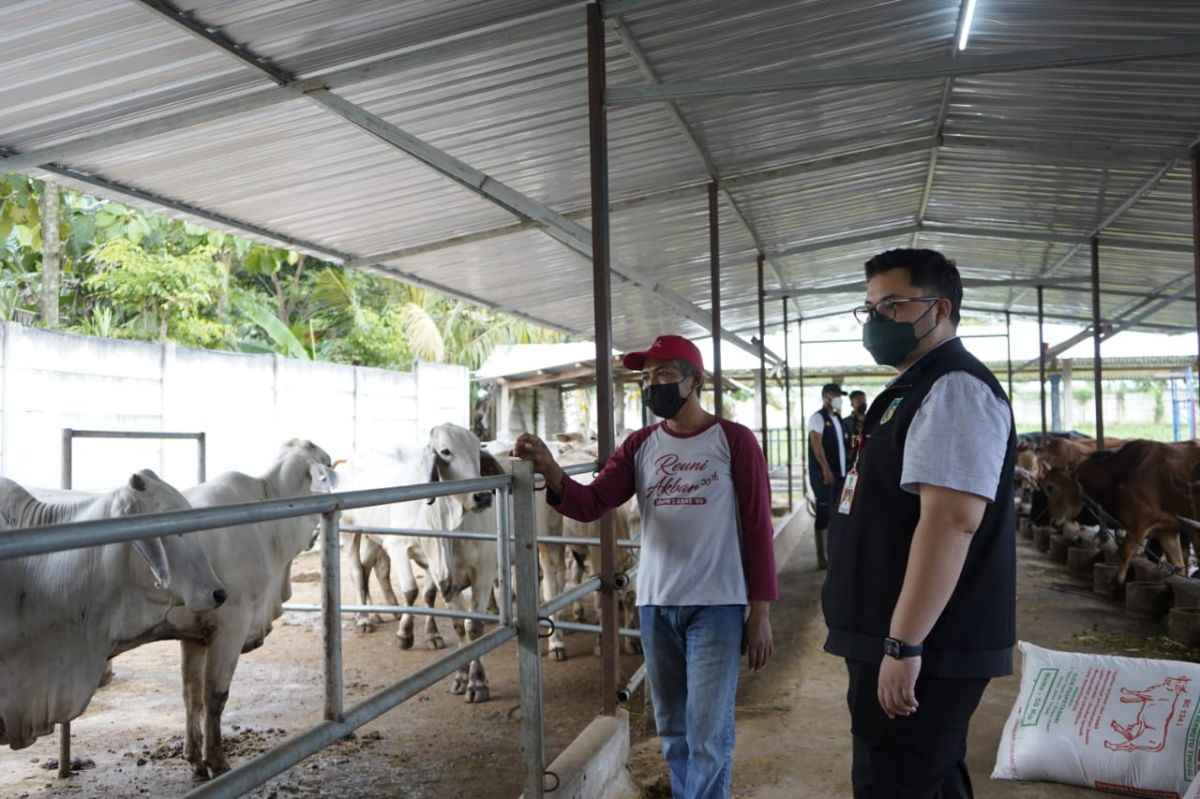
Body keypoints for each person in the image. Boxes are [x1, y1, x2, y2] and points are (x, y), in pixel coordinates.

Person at [513, 334, 776, 799]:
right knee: (673, 728)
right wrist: (552, 469)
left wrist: (761, 612)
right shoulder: (640, 445)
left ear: (694, 381)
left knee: (708, 732)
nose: (653, 385)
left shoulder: (733, 441)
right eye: (647, 377)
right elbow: (593, 501)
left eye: (665, 375)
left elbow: (756, 526)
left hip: (717, 604)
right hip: (656, 604)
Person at [821, 248, 1016, 798]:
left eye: (894, 305)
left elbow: (951, 523)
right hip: (900, 637)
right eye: (870, 309)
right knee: (927, 781)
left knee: (896, 782)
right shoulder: (912, 387)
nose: (878, 320)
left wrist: (903, 645)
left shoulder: (954, 388)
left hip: (928, 645)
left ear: (940, 309)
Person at [808, 382, 849, 570]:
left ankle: (834, 553)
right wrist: (825, 468)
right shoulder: (818, 418)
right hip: (825, 475)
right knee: (824, 514)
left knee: (837, 512)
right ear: (826, 397)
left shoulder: (838, 420)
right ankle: (822, 557)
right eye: (836, 395)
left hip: (840, 474)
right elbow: (817, 445)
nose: (840, 399)